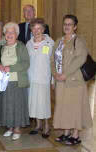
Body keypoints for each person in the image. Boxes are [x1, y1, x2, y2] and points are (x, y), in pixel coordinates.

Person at [51, 14, 92, 145]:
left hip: (74, 81)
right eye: (65, 24)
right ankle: (66, 132)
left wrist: (65, 74)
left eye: (69, 24)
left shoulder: (79, 41)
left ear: (75, 27)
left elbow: (80, 59)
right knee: (63, 107)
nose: (66, 26)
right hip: (60, 80)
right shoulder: (58, 41)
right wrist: (55, 74)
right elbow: (52, 59)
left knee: (75, 108)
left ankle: (75, 135)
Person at [0, 22, 30, 140]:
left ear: (17, 34)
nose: (9, 34)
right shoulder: (2, 46)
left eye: (12, 32)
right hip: (5, 82)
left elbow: (26, 63)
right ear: (4, 34)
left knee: (17, 105)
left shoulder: (21, 47)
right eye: (7, 32)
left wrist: (11, 68)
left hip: (17, 81)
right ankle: (10, 127)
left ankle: (17, 128)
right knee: (7, 105)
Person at [26, 18, 54, 138]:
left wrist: (53, 80)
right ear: (31, 30)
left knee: (44, 103)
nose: (37, 31)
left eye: (39, 28)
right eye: (34, 28)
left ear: (43, 29)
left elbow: (54, 62)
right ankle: (38, 125)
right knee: (34, 103)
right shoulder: (29, 44)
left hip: (44, 78)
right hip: (31, 78)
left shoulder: (50, 43)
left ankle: (46, 126)